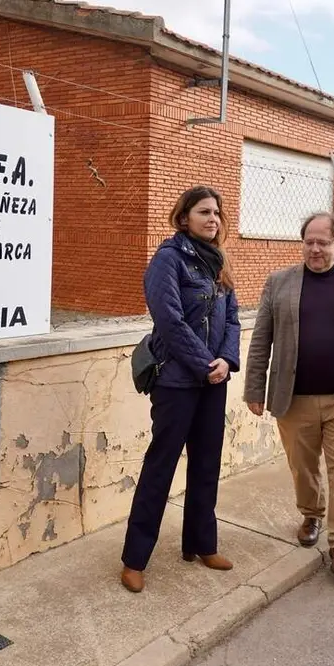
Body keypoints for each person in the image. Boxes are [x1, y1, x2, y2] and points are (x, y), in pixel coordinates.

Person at [245, 212, 334, 578]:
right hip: (295, 397)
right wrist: (255, 389)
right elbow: (261, 340)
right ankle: (311, 514)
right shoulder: (279, 283)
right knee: (302, 467)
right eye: (309, 242)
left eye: (323, 242)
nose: (315, 249)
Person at [120, 185, 241, 593]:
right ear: (184, 216)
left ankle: (201, 544)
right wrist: (204, 364)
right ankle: (135, 559)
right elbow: (169, 321)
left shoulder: (218, 262)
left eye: (217, 214)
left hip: (213, 382)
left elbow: (234, 320)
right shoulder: (168, 260)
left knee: (207, 466)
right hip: (176, 382)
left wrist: (226, 361)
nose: (213, 219)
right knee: (161, 468)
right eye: (204, 212)